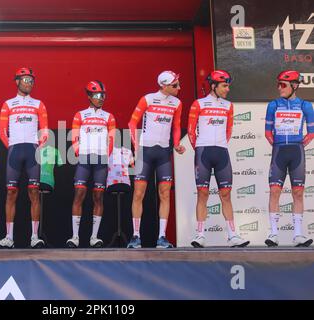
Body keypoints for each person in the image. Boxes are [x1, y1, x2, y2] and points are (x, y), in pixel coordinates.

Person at [187, 70, 249, 248]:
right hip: (203, 152)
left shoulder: (228, 105)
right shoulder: (198, 104)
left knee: (226, 194)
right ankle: (200, 235)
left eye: (228, 85)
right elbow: (191, 131)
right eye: (224, 85)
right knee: (203, 194)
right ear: (213, 86)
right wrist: (199, 148)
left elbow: (229, 130)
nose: (228, 89)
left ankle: (232, 235)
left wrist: (220, 144)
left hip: (222, 152)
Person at [126, 71, 185, 249]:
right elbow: (131, 123)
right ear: (164, 85)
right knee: (138, 194)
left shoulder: (177, 103)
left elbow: (176, 126)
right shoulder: (148, 99)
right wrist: (136, 149)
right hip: (145, 151)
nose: (179, 88)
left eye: (179, 84)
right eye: (175, 85)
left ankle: (162, 237)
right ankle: (136, 236)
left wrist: (176, 144)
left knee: (165, 194)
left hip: (163, 153)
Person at [0, 67, 49, 249]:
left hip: (32, 150)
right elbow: (2, 132)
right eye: (25, 80)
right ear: (17, 81)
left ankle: (34, 237)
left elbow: (45, 130)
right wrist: (12, 146)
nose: (29, 83)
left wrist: (38, 144)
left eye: (31, 80)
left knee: (34, 193)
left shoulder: (39, 104)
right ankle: (8, 237)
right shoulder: (8, 104)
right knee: (11, 193)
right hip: (15, 150)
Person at [264, 70, 314, 247]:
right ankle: (273, 233)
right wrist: (277, 144)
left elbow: (311, 132)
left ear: (294, 86)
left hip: (296, 153)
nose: (279, 88)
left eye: (283, 85)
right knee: (275, 191)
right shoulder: (273, 105)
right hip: (279, 152)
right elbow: (268, 132)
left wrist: (299, 144)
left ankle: (298, 234)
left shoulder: (306, 106)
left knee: (298, 192)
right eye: (278, 84)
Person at [66, 81, 116, 248]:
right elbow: (74, 138)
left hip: (101, 160)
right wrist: (80, 153)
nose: (100, 98)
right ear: (89, 96)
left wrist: (105, 156)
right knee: (79, 194)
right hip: (84, 159)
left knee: (98, 197)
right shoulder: (80, 115)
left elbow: (111, 139)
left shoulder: (109, 116)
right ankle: (75, 237)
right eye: (96, 95)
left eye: (103, 95)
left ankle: (94, 237)